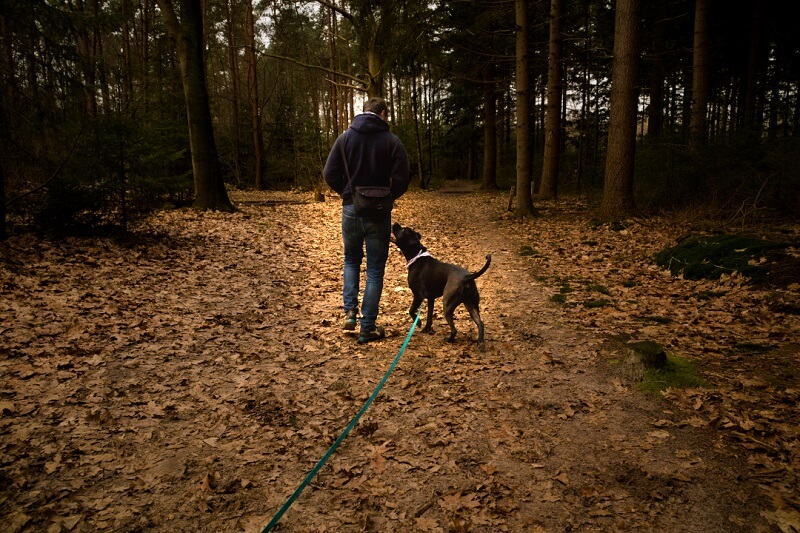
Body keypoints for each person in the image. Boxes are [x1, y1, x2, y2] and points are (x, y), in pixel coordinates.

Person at [323, 97, 410, 343]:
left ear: (364, 112)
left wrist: (347, 193)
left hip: (351, 208)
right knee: (374, 269)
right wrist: (390, 195)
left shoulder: (345, 138)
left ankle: (350, 313)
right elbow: (403, 177)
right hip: (380, 212)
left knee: (351, 260)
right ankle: (367, 326)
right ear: (382, 113)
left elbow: (329, 173)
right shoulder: (392, 141)